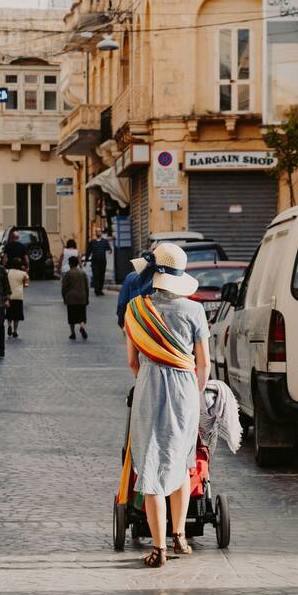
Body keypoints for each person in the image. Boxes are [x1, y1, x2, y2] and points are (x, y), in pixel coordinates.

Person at [121, 243, 209, 568]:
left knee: (150, 466)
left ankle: (158, 549)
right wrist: (193, 394)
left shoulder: (135, 309)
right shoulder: (195, 311)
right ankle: (179, 536)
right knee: (182, 463)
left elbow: (132, 361)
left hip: (149, 387)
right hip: (185, 390)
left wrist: (149, 374)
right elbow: (204, 364)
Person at [116, 252, 155, 328]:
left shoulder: (131, 277)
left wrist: (121, 320)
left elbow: (122, 302)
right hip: (154, 323)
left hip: (134, 319)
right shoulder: (160, 279)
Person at [61, 255, 89, 340]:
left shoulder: (68, 274)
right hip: (82, 297)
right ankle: (82, 327)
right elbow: (87, 287)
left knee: (72, 316)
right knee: (82, 315)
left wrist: (64, 298)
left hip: (71, 298)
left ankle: (73, 333)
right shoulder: (83, 273)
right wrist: (87, 298)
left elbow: (64, 287)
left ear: (70, 264)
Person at [6, 258, 30, 338]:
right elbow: (26, 284)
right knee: (16, 315)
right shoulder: (23, 274)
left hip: (9, 296)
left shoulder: (7, 272)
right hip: (18, 296)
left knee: (9, 313)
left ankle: (9, 325)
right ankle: (15, 331)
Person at [85, 228, 112, 296]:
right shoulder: (92, 242)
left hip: (102, 261)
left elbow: (109, 248)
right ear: (95, 233)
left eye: (99, 231)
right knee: (96, 275)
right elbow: (88, 251)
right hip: (94, 261)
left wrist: (110, 251)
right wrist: (86, 260)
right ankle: (96, 290)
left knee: (101, 275)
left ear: (101, 233)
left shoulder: (104, 241)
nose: (98, 233)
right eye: (97, 232)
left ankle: (100, 289)